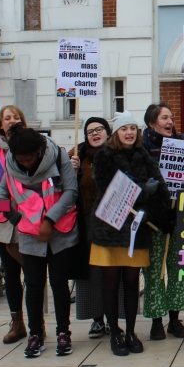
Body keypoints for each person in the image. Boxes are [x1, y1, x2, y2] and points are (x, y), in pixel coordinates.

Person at [0, 127, 79, 358]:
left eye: (29, 159)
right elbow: (0, 196)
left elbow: (71, 192)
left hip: (60, 232)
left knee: (59, 284)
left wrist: (50, 219)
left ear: (39, 151)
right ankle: (35, 335)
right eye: (21, 160)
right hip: (29, 234)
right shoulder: (12, 165)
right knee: (33, 286)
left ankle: (63, 333)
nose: (26, 165)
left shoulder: (59, 156)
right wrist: (13, 216)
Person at [91, 112, 168, 356]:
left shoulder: (143, 155)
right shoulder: (103, 156)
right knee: (111, 284)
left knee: (133, 283)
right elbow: (112, 189)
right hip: (110, 230)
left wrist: (149, 209)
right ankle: (115, 332)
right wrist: (144, 192)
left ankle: (132, 331)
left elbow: (161, 191)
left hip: (136, 230)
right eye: (125, 128)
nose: (130, 132)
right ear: (116, 133)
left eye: (133, 128)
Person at [140, 103, 184, 340]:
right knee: (154, 272)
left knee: (178, 268)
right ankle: (156, 320)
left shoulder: (182, 144)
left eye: (171, 117)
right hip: (153, 221)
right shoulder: (141, 149)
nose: (170, 122)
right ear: (152, 123)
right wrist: (158, 213)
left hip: (177, 216)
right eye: (164, 118)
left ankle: (174, 318)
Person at [70, 117, 116, 340]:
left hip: (114, 222)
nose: (95, 134)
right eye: (90, 131)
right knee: (91, 272)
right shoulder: (76, 156)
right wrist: (73, 170)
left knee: (112, 270)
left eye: (99, 129)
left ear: (108, 132)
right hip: (87, 220)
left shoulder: (117, 154)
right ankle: (97, 319)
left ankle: (114, 317)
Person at [0, 105, 28, 344]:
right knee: (11, 275)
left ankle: (37, 322)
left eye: (15, 117)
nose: (11, 121)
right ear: (1, 124)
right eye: (7, 118)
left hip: (26, 216)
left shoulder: (33, 143)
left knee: (32, 274)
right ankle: (17, 322)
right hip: (3, 221)